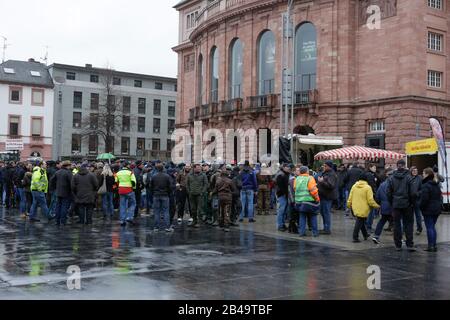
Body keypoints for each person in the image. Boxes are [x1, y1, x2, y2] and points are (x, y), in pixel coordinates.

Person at [386, 159, 416, 251]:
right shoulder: (409, 177)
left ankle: (398, 245)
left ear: (397, 165)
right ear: (404, 165)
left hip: (396, 204)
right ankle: (409, 244)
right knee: (408, 224)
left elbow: (388, 192)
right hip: (407, 204)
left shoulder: (391, 178)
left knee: (397, 225)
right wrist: (411, 203)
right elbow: (413, 192)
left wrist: (392, 202)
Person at [347, 173, 380, 243]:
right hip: (364, 208)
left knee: (361, 221)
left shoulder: (354, 186)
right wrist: (377, 206)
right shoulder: (368, 188)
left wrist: (349, 205)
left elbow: (350, 197)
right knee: (359, 221)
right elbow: (370, 200)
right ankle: (355, 237)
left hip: (355, 207)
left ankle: (365, 234)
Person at [420, 168, 443, 252]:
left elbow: (424, 199)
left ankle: (431, 246)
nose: (422, 174)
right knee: (432, 227)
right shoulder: (436, 184)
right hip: (436, 209)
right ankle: (434, 245)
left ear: (427, 174)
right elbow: (440, 197)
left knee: (430, 227)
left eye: (423, 173)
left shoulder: (426, 185)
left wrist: (421, 207)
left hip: (428, 209)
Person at [293, 166, 320, 237]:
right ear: (307, 171)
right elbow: (313, 190)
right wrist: (317, 199)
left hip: (299, 201)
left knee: (302, 217)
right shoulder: (310, 178)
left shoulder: (297, 179)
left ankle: (301, 232)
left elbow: (295, 189)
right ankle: (315, 233)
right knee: (313, 216)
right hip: (309, 201)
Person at [372, 169, 394, 244]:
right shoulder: (395, 184)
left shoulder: (382, 185)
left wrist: (380, 204)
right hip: (393, 207)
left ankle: (376, 236)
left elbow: (377, 197)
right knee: (397, 222)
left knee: (382, 221)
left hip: (384, 207)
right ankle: (399, 238)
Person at [151, 163, 173, 232]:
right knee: (166, 211)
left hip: (156, 195)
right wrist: (169, 194)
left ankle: (156, 227)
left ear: (156, 169)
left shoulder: (154, 176)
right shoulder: (167, 176)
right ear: (163, 168)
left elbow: (151, 186)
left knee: (156, 211)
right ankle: (167, 227)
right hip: (165, 195)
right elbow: (170, 187)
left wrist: (153, 193)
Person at [317, 161, 338, 235]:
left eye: (325, 166)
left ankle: (327, 229)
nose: (324, 167)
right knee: (323, 212)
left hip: (327, 196)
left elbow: (331, 185)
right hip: (323, 196)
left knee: (326, 212)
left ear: (329, 166)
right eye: (323, 165)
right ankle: (325, 228)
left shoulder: (331, 174)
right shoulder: (326, 173)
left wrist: (322, 181)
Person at [213, 166, 236, 232]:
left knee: (220, 211)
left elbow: (215, 190)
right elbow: (234, 189)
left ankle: (221, 224)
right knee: (227, 211)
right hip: (228, 198)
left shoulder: (218, 181)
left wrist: (212, 193)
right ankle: (226, 226)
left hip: (220, 197)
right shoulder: (230, 181)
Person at [115, 161, 137, 227]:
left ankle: (122, 220)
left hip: (121, 190)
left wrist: (118, 188)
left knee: (122, 205)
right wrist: (134, 188)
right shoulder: (131, 173)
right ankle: (129, 217)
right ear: (127, 166)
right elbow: (133, 181)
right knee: (133, 204)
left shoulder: (118, 173)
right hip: (129, 190)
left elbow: (116, 182)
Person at [186, 163, 208, 228]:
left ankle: (198, 222)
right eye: (198, 168)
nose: (199, 169)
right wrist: (189, 191)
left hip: (200, 195)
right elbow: (187, 184)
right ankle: (194, 221)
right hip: (192, 194)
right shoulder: (189, 175)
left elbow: (206, 184)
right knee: (193, 209)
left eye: (200, 168)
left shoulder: (203, 175)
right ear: (194, 168)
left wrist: (202, 192)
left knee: (199, 209)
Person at [52, 161, 73, 226]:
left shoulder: (57, 172)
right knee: (64, 207)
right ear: (68, 166)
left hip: (58, 192)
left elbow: (52, 180)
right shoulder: (68, 173)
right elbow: (72, 183)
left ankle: (57, 221)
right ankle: (63, 221)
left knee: (58, 206)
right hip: (66, 192)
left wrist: (54, 188)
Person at [275, 163, 291, 231]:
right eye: (287, 167)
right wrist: (285, 193)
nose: (289, 168)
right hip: (282, 195)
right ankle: (280, 225)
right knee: (281, 210)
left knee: (284, 210)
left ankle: (282, 224)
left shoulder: (285, 174)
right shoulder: (281, 175)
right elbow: (281, 186)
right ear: (284, 167)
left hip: (285, 195)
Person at [410, 166, 423, 235]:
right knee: (410, 216)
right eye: (413, 170)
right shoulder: (408, 178)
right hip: (410, 200)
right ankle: (410, 228)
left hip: (417, 200)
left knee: (418, 215)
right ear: (411, 171)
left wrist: (417, 193)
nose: (415, 172)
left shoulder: (420, 178)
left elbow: (422, 189)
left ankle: (419, 228)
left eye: (416, 170)